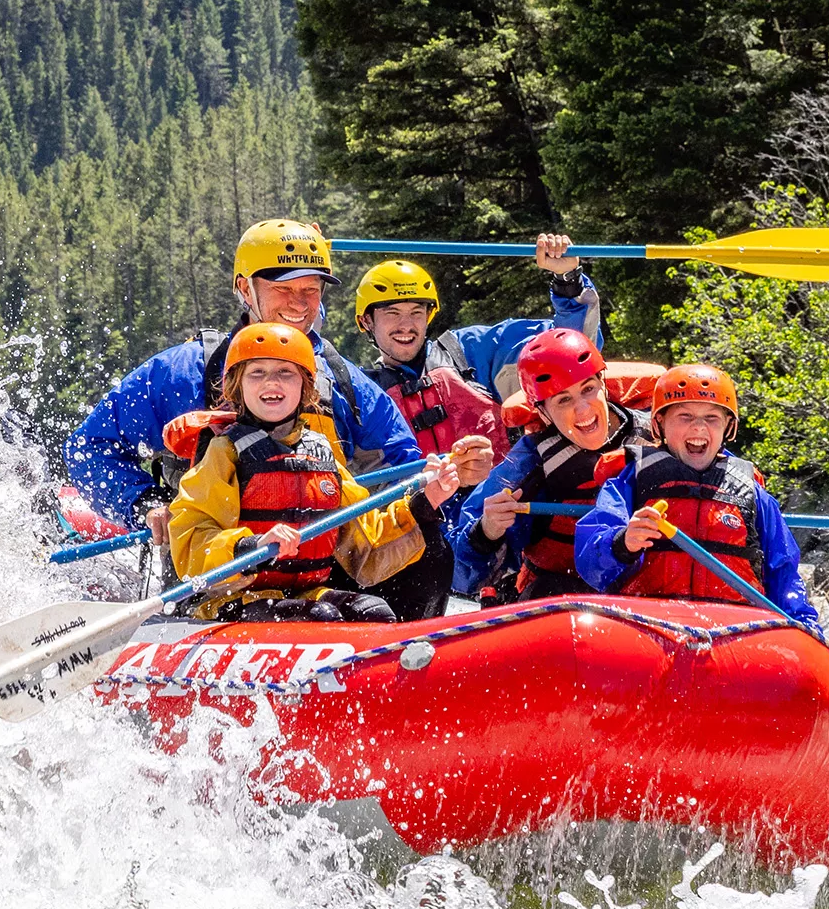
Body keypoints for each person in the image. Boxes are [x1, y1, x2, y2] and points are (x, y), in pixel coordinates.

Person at [64, 218, 471, 620]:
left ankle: (412, 661)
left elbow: (404, 464)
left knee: (428, 545)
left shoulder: (344, 381)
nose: (299, 303)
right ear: (245, 288)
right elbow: (87, 449)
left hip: (317, 573)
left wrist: (427, 493)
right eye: (283, 288)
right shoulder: (185, 371)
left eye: (310, 290)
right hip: (219, 574)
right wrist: (146, 504)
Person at [169, 322, 459, 622]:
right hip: (236, 598)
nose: (272, 383)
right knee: (321, 616)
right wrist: (249, 545)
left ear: (306, 386)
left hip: (308, 592)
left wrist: (426, 501)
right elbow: (192, 537)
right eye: (257, 373)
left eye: (286, 373)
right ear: (236, 386)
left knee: (374, 612)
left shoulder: (322, 453)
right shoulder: (225, 453)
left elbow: (367, 543)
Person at [574, 364, 819, 624]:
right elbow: (589, 562)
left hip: (734, 630)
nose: (699, 428)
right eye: (685, 416)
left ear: (728, 427)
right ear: (659, 424)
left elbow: (784, 574)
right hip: (651, 625)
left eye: (712, 418)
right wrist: (622, 543)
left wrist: (803, 625)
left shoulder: (754, 495)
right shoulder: (632, 481)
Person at [354, 234, 602, 468]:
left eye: (416, 312)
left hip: (501, 501)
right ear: (366, 321)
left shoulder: (470, 351)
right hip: (420, 510)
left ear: (429, 315)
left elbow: (571, 347)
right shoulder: (360, 391)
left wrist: (566, 279)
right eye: (392, 313)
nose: (406, 326)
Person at [451, 328, 651, 601]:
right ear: (543, 412)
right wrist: (486, 532)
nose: (582, 410)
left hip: (650, 593)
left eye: (588, 389)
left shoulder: (658, 436)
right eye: (563, 400)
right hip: (561, 597)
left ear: (602, 384)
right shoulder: (527, 464)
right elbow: (463, 577)